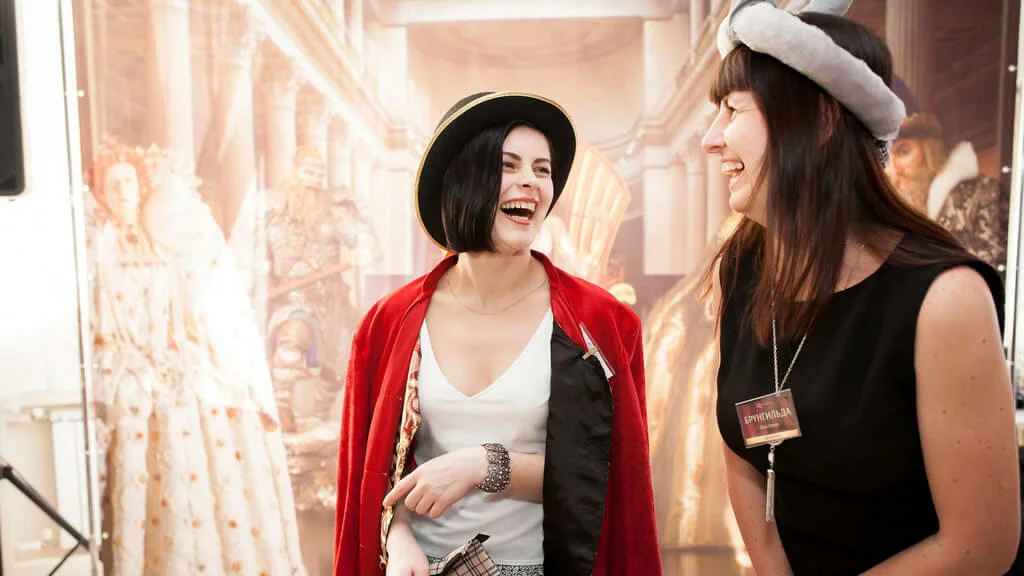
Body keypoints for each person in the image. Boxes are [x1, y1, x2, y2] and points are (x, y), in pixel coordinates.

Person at [703, 1, 1021, 574]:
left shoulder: (943, 298)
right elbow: (744, 460)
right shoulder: (743, 266)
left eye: (732, 109)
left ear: (821, 119)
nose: (710, 139)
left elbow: (981, 545)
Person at [333, 92, 661, 576]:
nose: (530, 180)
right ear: (463, 177)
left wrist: (486, 465)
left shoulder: (601, 322)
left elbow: (613, 479)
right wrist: (396, 533)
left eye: (542, 169)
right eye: (508, 165)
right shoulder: (389, 322)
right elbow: (369, 470)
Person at [87, 143, 306, 575]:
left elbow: (177, 309)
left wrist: (175, 351)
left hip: (169, 365)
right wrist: (137, 362)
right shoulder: (103, 251)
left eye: (128, 181)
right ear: (102, 194)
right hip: (130, 369)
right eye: (112, 185)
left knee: (196, 434)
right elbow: (104, 323)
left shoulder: (158, 247)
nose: (122, 190)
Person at [885, 112, 1010, 275]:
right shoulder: (905, 215)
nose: (895, 170)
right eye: (886, 158)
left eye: (903, 151)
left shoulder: (979, 195)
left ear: (929, 151)